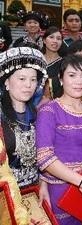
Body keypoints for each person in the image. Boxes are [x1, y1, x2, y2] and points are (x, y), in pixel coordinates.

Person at [36, 54, 82, 224]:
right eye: (72, 75)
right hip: (60, 191)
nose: (78, 81)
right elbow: (44, 157)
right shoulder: (49, 111)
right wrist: (81, 182)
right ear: (61, 79)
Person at [0, 47, 47, 189]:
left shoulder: (40, 114)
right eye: (22, 78)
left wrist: (44, 182)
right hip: (6, 196)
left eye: (33, 80)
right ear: (6, 82)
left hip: (36, 191)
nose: (28, 85)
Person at [42, 26, 63, 100]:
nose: (55, 41)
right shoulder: (36, 60)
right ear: (44, 40)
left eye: (58, 38)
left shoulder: (64, 64)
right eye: (51, 37)